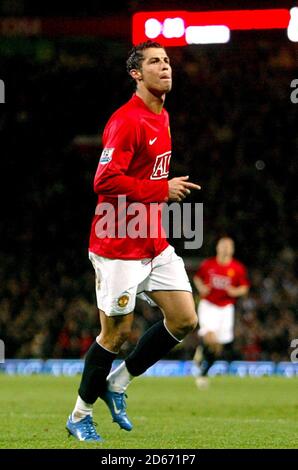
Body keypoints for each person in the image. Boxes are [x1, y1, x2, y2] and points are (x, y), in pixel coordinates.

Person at [66, 40, 201, 442]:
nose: (165, 67)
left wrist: (155, 196)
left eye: (167, 61)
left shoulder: (163, 116)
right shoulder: (127, 121)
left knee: (184, 319)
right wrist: (160, 190)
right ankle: (79, 414)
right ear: (136, 74)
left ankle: (118, 383)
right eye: (155, 62)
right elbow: (103, 180)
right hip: (117, 245)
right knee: (116, 334)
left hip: (151, 240)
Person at [193, 237, 249, 388]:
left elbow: (244, 288)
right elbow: (197, 278)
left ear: (232, 249)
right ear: (217, 248)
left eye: (228, 246)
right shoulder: (208, 264)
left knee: (218, 346)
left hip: (226, 308)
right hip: (209, 305)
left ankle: (203, 368)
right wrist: (202, 288)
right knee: (210, 337)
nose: (225, 248)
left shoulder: (237, 268)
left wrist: (234, 291)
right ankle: (202, 367)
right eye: (222, 245)